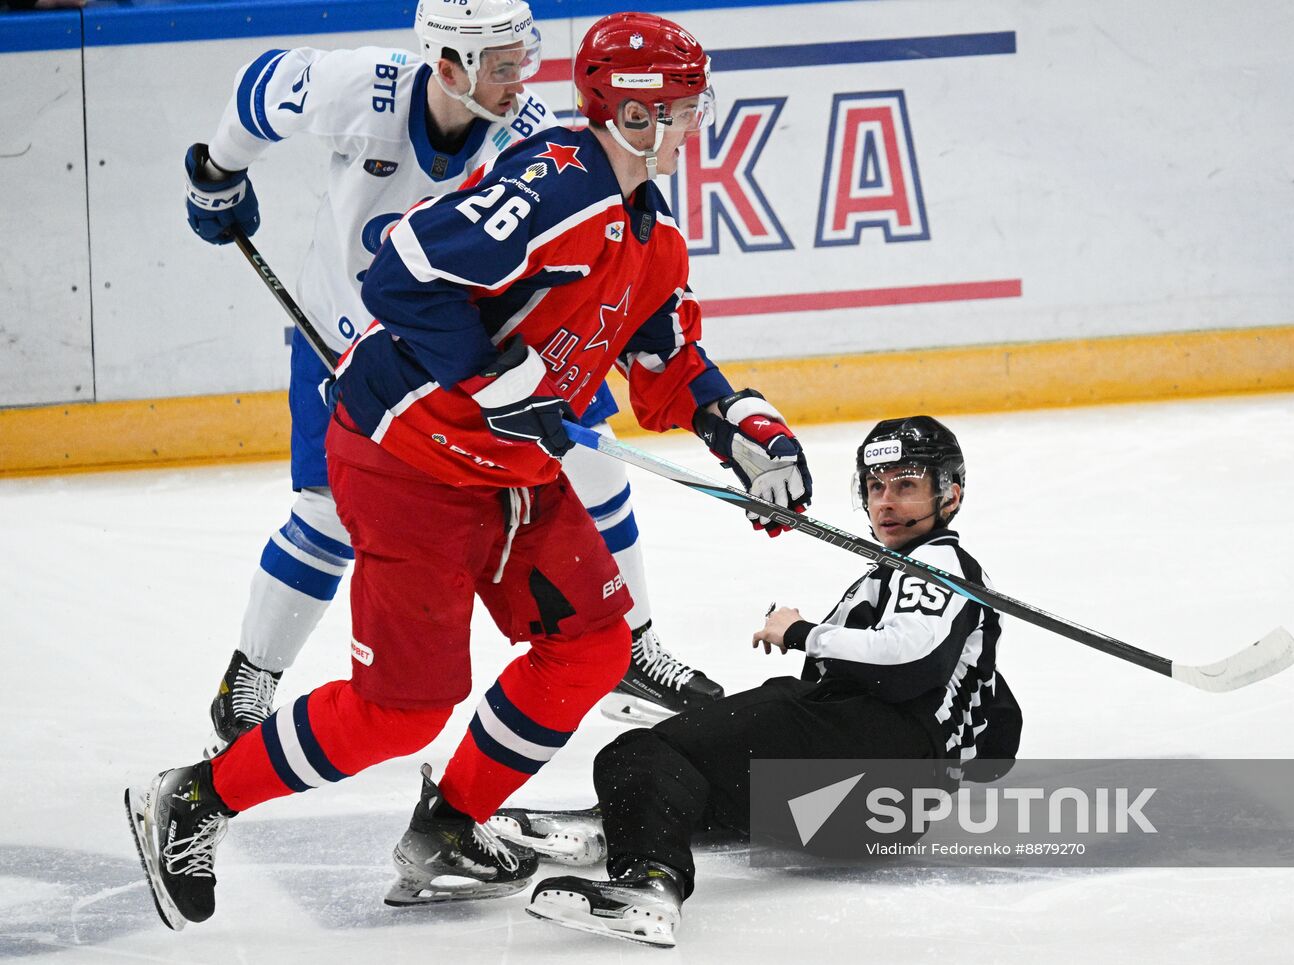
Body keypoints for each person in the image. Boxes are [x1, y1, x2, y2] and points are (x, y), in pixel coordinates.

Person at [125, 11, 812, 931]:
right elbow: (400, 273)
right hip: (404, 457)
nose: (697, 123)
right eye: (683, 108)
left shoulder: (650, 227)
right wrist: (499, 375)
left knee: (595, 644)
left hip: (511, 468)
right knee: (402, 710)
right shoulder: (556, 184)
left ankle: (446, 827)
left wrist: (749, 434)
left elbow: (668, 363)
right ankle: (197, 796)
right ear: (638, 116)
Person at [184, 0, 722, 758]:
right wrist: (219, 170)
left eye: (522, 57)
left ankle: (631, 642)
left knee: (589, 451)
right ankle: (253, 674)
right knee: (329, 511)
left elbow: (618, 215)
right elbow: (258, 88)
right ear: (447, 65)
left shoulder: (530, 128)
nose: (520, 79)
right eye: (501, 65)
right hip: (351, 333)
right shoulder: (356, 88)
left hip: (482, 341)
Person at [512, 416, 1022, 948]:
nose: (886, 502)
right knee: (698, 768)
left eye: (906, 486)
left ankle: (648, 883)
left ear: (951, 494)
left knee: (637, 752)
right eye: (875, 486)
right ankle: (621, 821)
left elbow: (902, 664)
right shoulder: (915, 582)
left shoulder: (938, 563)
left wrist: (804, 632)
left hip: (871, 764)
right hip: (873, 812)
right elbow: (999, 738)